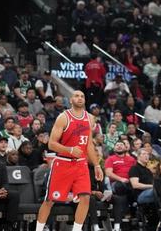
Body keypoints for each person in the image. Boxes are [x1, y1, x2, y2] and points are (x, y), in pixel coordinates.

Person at [35, 90, 103, 231]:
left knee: (86, 197)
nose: (80, 98)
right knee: (50, 200)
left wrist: (97, 165)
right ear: (70, 100)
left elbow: (89, 144)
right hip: (63, 162)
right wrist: (70, 150)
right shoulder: (63, 117)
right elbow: (51, 144)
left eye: (82, 96)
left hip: (81, 164)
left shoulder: (90, 118)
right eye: (76, 96)